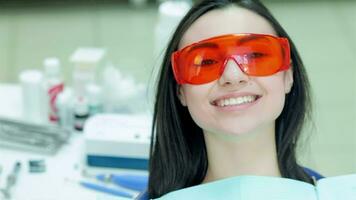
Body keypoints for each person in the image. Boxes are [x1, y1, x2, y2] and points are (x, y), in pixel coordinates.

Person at [141, 0, 323, 199]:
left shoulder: (332, 193)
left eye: (254, 55)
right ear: (180, 91)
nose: (232, 76)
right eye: (206, 61)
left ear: (288, 76)